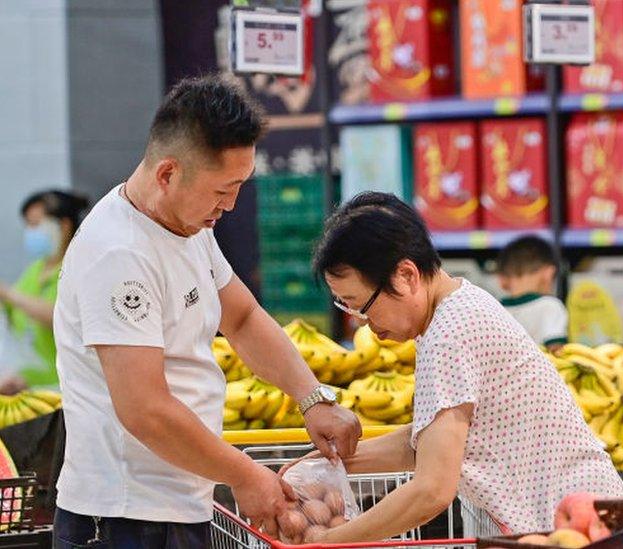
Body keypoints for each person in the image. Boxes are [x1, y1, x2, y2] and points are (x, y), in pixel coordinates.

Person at [52, 75, 361, 548]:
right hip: (123, 519)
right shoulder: (118, 255)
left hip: (178, 505)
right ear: (167, 174)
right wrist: (244, 474)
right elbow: (145, 410)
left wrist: (311, 398)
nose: (232, 204)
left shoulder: (191, 227)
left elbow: (241, 318)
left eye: (239, 186)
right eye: (223, 190)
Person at [295, 192, 623, 543]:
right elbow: (430, 444)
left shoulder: (449, 335)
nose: (362, 323)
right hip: (575, 520)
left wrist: (329, 541)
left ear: (407, 275)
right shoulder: (456, 308)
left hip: (578, 527)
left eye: (361, 306)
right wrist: (325, 465)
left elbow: (432, 489)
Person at [0, 190, 88, 393]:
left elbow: (60, 316)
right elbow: (13, 318)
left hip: (68, 390)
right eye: (28, 225)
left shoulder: (79, 268)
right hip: (30, 387)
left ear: (64, 225)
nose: (31, 232)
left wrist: (9, 295)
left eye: (36, 224)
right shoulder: (35, 270)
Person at [496, 235, 568, 350]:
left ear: (501, 280)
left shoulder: (494, 309)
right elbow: (557, 350)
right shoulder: (551, 306)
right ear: (548, 274)